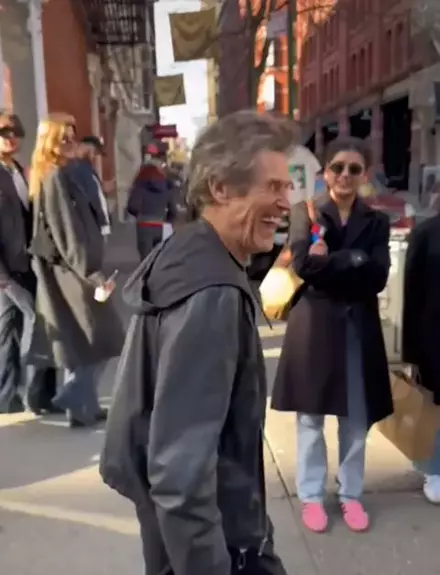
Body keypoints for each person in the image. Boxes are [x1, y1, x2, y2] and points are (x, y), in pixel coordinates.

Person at [100, 110, 294, 575]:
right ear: (220, 188)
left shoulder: (188, 253)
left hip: (194, 532)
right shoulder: (212, 292)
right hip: (218, 545)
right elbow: (180, 473)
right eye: (273, 187)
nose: (286, 202)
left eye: (287, 188)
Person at [272, 137, 393, 533]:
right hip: (315, 329)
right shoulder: (305, 212)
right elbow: (304, 265)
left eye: (354, 169)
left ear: (364, 175)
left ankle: (350, 495)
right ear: (325, 172)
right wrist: (353, 260)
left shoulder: (376, 221)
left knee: (355, 420)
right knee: (310, 418)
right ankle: (311, 496)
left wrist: (334, 262)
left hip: (358, 328)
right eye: (338, 167)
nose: (345, 175)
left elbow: (377, 276)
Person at [27, 113, 124, 428]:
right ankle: (72, 396)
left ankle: (83, 409)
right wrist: (93, 275)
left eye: (73, 136)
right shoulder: (55, 176)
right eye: (63, 138)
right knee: (101, 339)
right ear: (50, 142)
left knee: (82, 341)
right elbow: (67, 233)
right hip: (73, 274)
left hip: (71, 271)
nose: (71, 143)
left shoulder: (59, 173)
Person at [0, 111, 57, 414]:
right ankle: (9, 397)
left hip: (29, 263)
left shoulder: (21, 171)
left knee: (35, 327)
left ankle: (37, 395)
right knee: (11, 331)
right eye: (3, 133)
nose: (10, 138)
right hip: (5, 270)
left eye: (15, 132)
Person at [402, 209, 440, 503]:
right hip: (434, 335)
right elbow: (412, 295)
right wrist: (411, 352)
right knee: (434, 406)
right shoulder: (426, 233)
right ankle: (434, 470)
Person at [127, 144, 177, 260]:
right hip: (160, 225)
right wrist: (167, 219)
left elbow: (133, 205)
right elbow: (173, 210)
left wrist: (140, 215)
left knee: (146, 260)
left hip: (144, 225)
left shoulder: (141, 182)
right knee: (158, 259)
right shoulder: (165, 183)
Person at [74, 135, 112, 239]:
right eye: (94, 152)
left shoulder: (86, 167)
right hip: (90, 225)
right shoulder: (80, 168)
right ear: (87, 147)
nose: (94, 157)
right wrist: (103, 222)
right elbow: (93, 196)